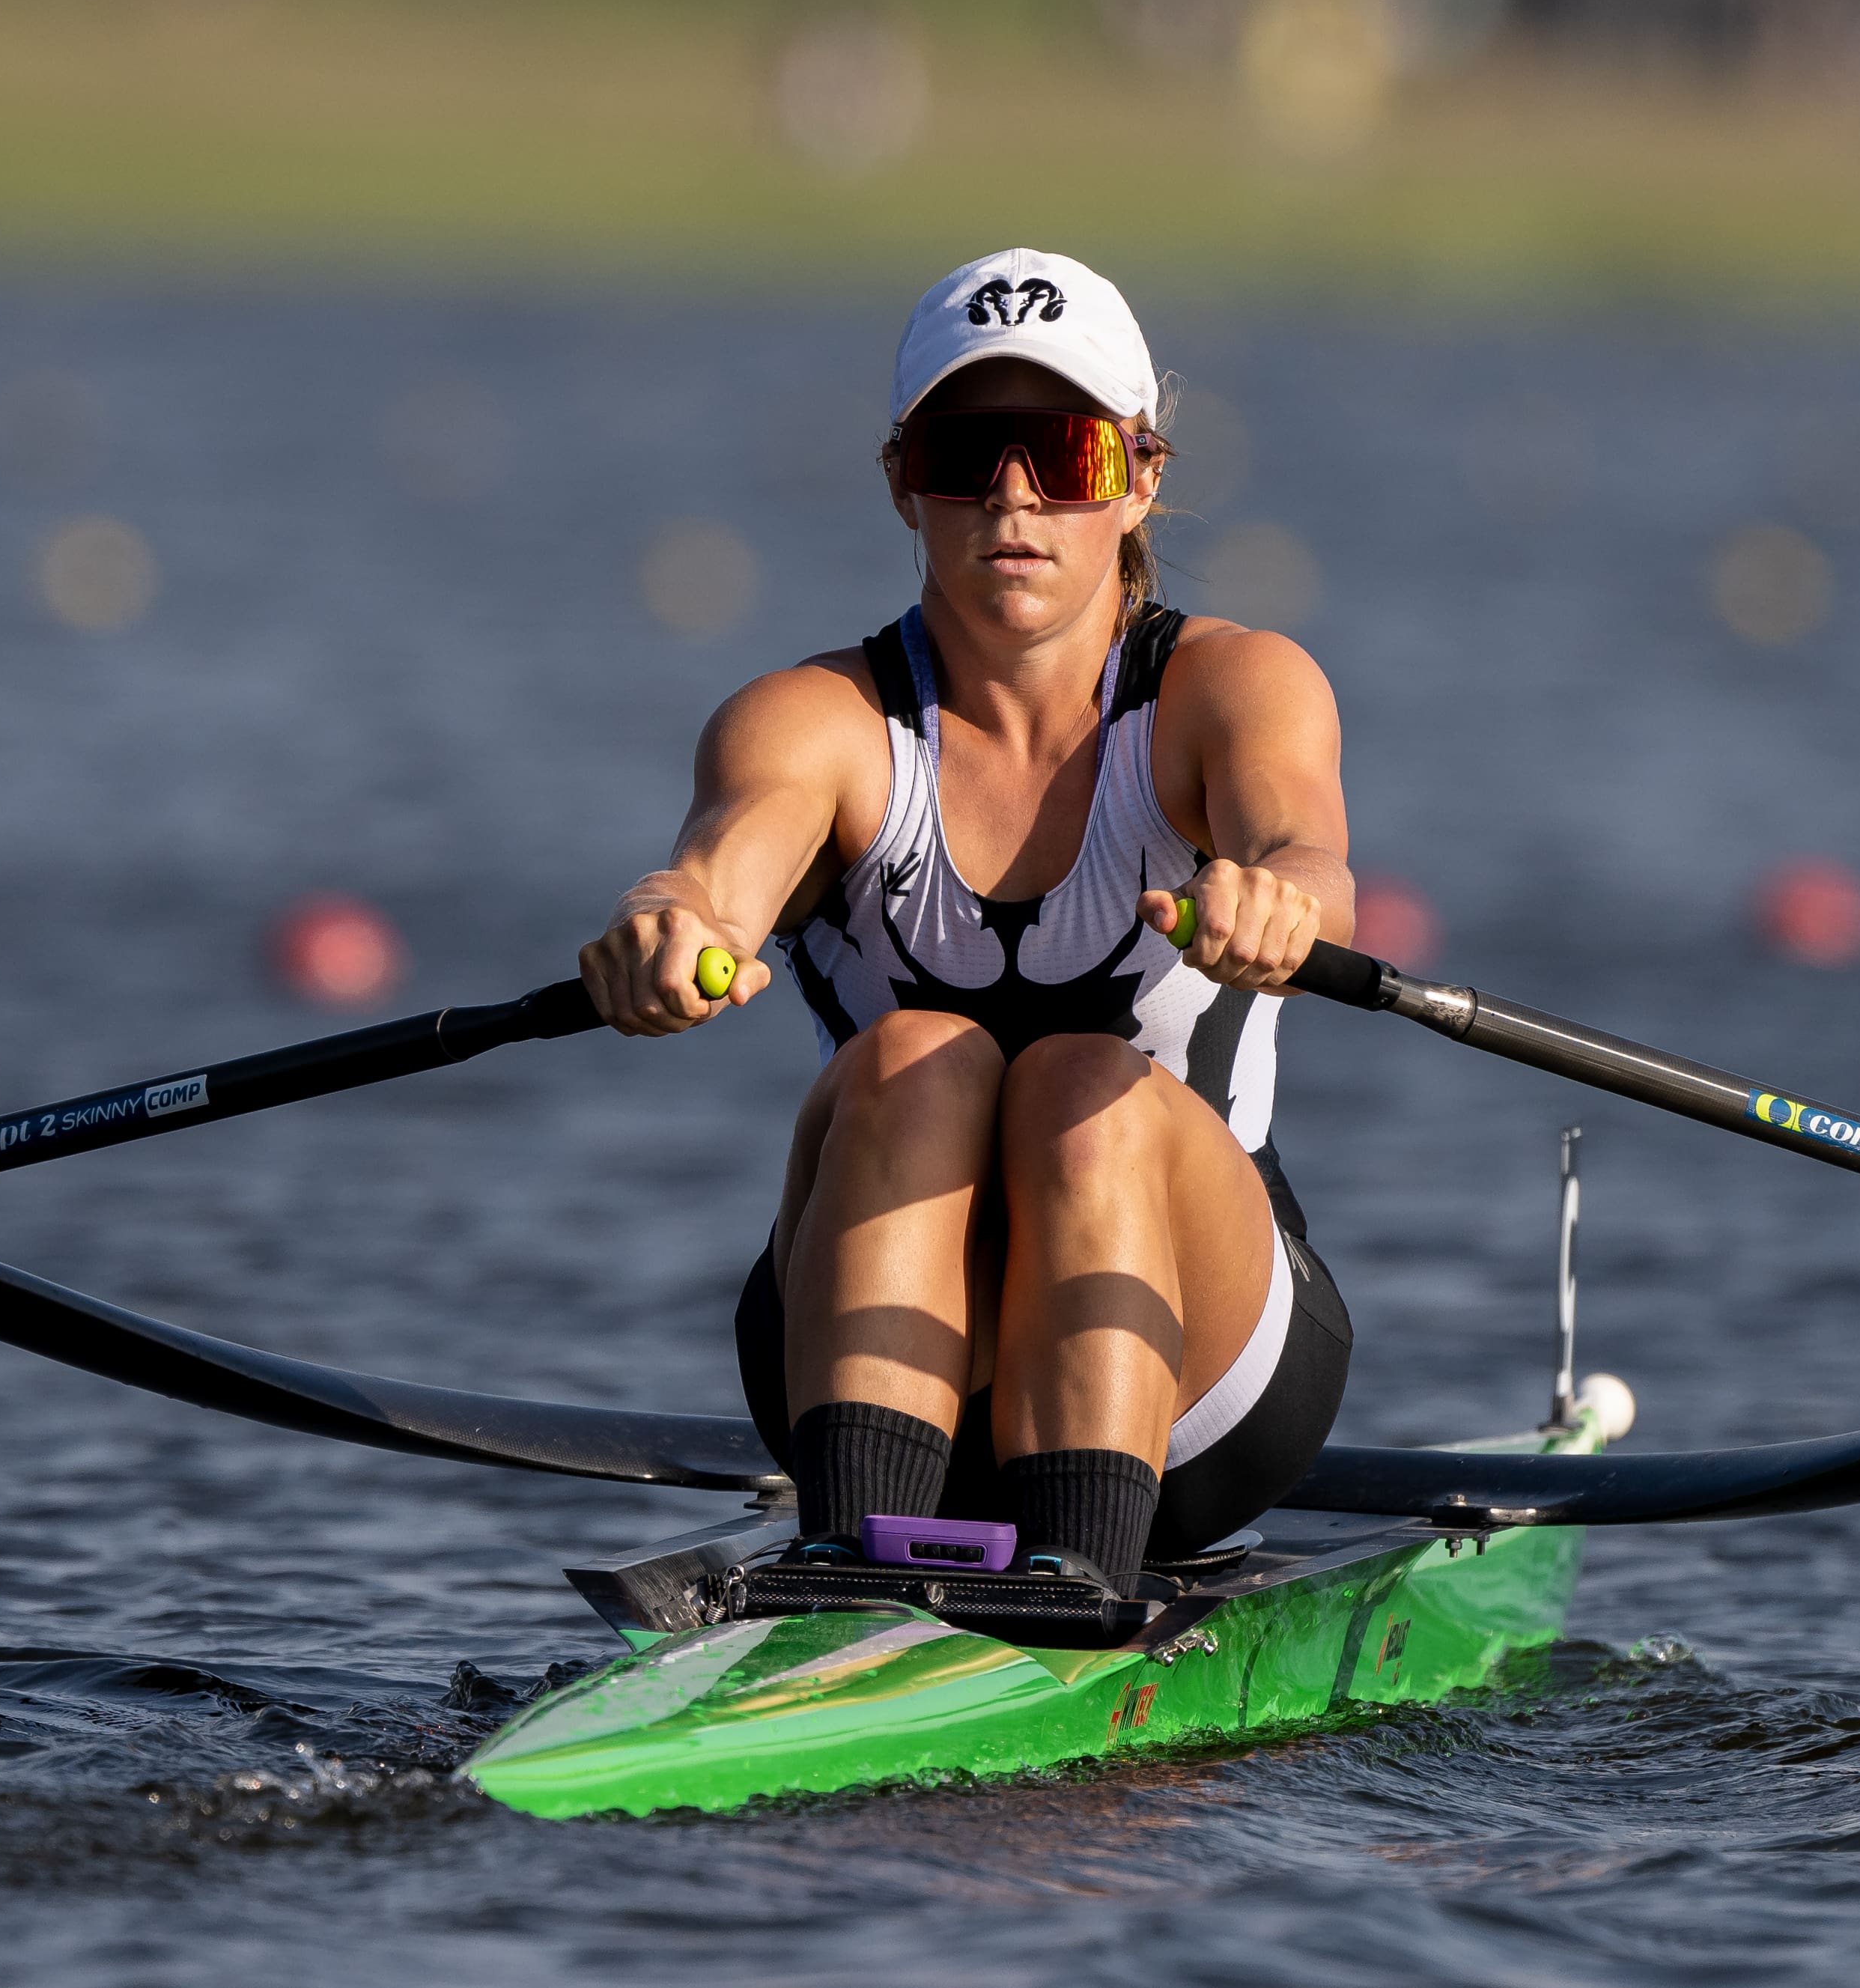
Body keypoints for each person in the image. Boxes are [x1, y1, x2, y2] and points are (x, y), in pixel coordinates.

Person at [579, 249, 1358, 1593]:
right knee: (908, 1060)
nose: (1014, 495)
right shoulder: (811, 722)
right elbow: (711, 877)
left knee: (1074, 1081)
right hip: (870, 1376)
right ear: (902, 481)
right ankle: (845, 1567)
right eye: (966, 450)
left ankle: (1078, 1587)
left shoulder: (1233, 689)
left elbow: (1307, 848)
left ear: (1139, 476)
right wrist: (664, 924)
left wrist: (1281, 900)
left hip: (1205, 1392)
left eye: (1062, 453)